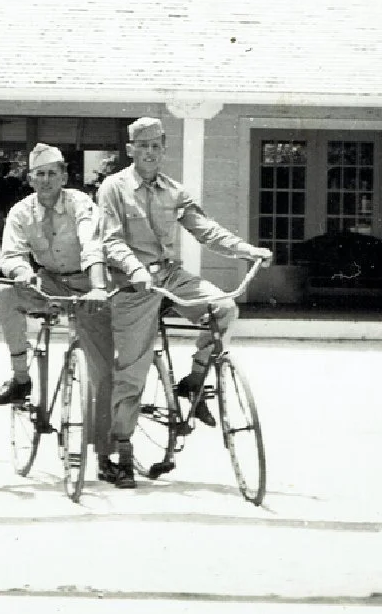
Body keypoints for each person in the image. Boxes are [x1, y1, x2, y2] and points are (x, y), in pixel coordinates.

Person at [96, 116, 272, 489]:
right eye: (142, 146)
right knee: (132, 372)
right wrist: (134, 269)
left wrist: (246, 249)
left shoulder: (173, 191)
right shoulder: (113, 188)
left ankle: (193, 381)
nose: (149, 152)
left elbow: (205, 229)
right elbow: (110, 240)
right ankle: (122, 452)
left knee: (223, 308)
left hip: (171, 276)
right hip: (132, 284)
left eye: (156, 145)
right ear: (130, 150)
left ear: (163, 149)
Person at [0, 143, 118, 481]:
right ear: (30, 179)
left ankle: (105, 457)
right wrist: (23, 274)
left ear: (63, 176)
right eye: (39, 174)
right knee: (5, 293)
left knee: (103, 372)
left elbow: (92, 244)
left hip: (86, 285)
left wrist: (97, 287)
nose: (45, 180)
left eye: (52, 174)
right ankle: (20, 378)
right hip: (45, 285)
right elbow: (10, 255)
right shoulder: (21, 212)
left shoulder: (80, 205)